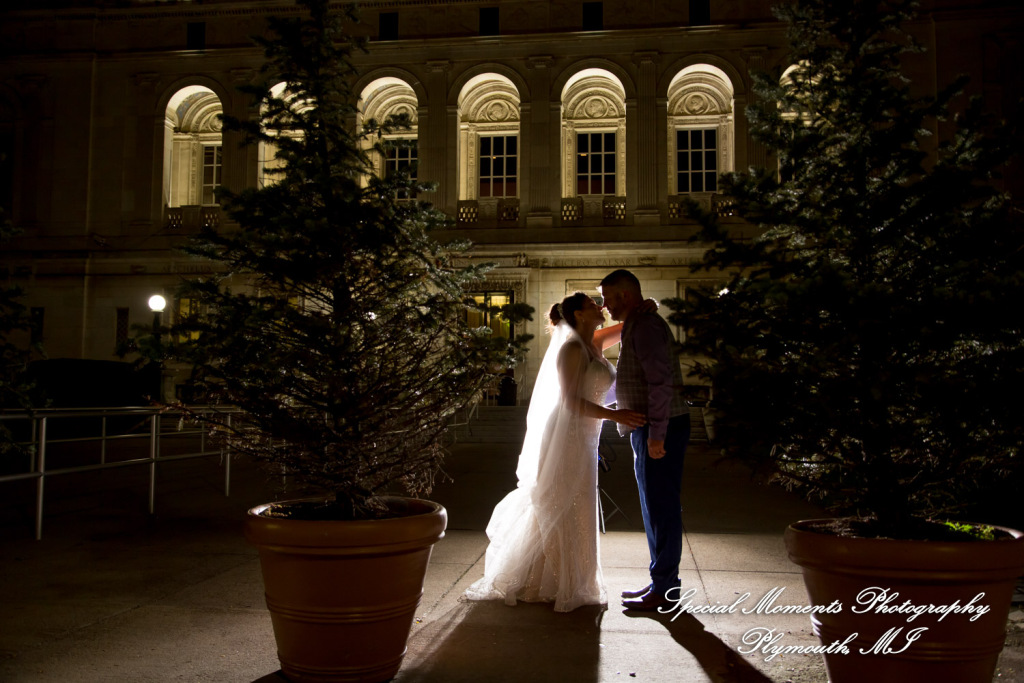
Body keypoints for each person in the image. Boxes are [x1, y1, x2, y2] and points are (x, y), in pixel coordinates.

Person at [463, 292, 647, 612]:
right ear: (578, 315)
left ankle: (571, 578)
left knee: (579, 503)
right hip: (567, 436)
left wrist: (644, 308)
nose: (600, 306)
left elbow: (627, 327)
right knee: (562, 501)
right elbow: (571, 402)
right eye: (593, 304)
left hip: (585, 436)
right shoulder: (572, 349)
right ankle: (555, 581)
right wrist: (615, 415)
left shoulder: (594, 342)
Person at [598, 269, 690, 611]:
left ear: (624, 295)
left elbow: (660, 382)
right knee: (654, 508)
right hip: (650, 426)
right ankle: (661, 581)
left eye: (607, 298)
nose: (605, 306)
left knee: (662, 509)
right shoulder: (638, 322)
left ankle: (665, 590)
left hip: (659, 427)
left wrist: (657, 435)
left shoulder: (646, 326)